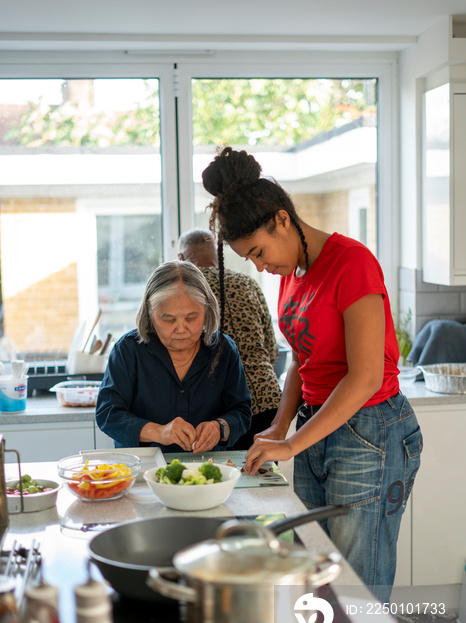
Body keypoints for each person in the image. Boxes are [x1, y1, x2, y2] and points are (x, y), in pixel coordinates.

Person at [202, 146, 423, 598]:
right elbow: (304, 361)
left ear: (283, 219)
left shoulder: (351, 263)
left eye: (260, 252)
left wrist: (292, 443)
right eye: (251, 260)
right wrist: (281, 425)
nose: (261, 267)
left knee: (358, 588)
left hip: (371, 432)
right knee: (318, 576)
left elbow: (363, 377)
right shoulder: (294, 271)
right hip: (318, 427)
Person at [96, 260, 252, 453]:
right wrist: (158, 432)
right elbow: (108, 414)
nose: (181, 329)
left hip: (207, 469)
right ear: (150, 310)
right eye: (168, 319)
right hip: (143, 467)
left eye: (191, 318)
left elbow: (242, 411)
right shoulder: (128, 350)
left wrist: (219, 428)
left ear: (206, 308)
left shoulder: (224, 349)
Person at [178, 228, 282, 449]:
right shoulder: (248, 283)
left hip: (221, 406)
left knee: (217, 476)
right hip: (267, 397)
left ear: (181, 258)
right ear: (217, 253)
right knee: (259, 477)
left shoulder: (186, 290)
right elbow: (272, 351)